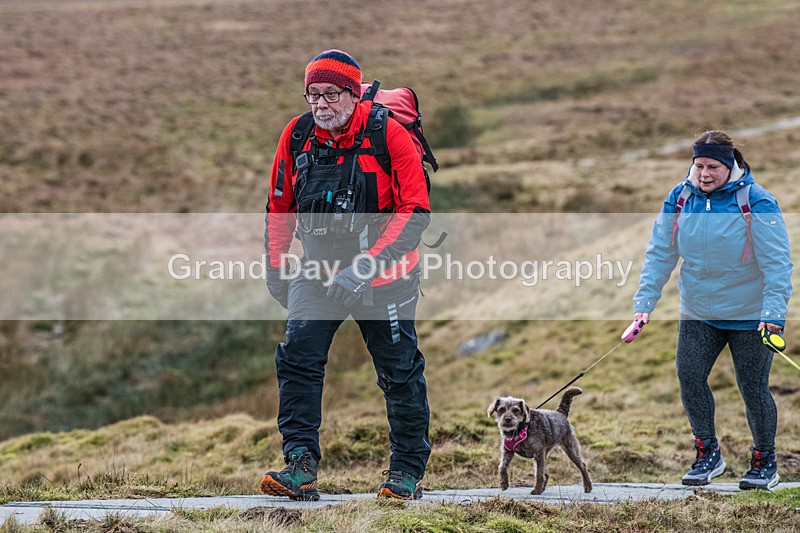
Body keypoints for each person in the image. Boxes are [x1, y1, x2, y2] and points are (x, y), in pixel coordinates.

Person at [260, 50, 432, 501]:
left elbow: (415, 212)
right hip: (316, 271)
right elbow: (279, 206)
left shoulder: (387, 135)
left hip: (385, 275)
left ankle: (406, 473)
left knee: (398, 373)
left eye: (331, 94)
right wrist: (276, 267)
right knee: (297, 358)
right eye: (313, 94)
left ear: (353, 95)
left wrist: (367, 265)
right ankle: (299, 465)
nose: (321, 104)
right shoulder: (297, 135)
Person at [632, 130, 792, 490]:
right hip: (698, 310)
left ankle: (765, 461)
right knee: (689, 376)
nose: (704, 173)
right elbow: (660, 252)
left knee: (752, 387)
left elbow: (777, 265)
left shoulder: (756, 201)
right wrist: (644, 305)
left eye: (713, 167)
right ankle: (708, 454)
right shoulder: (680, 197)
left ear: (730, 165)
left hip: (750, 314)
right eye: (699, 165)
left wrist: (773, 315)